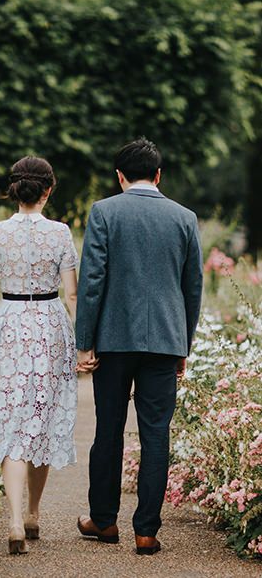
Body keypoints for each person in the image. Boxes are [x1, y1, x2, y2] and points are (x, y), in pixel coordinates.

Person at [75, 138, 203, 555]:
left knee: (108, 430)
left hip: (113, 339)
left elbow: (92, 281)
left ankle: (104, 521)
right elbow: (193, 288)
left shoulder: (105, 212)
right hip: (165, 341)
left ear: (120, 176)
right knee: (156, 435)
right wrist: (183, 343)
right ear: (159, 175)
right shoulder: (184, 218)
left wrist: (85, 342)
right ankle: (146, 531)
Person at [0, 156, 79, 555]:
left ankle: (14, 522)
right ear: (49, 189)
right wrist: (80, 340)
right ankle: (33, 513)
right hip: (49, 325)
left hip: (10, 324)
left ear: (15, 189)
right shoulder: (61, 233)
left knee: (11, 422)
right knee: (40, 419)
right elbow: (71, 294)